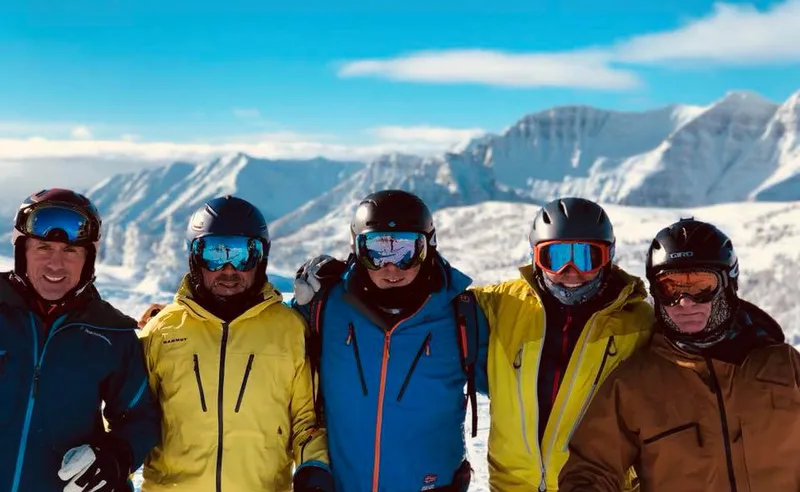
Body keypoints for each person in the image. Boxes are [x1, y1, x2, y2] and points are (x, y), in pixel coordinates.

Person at [295, 196, 654, 491]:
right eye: (555, 257)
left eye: (589, 257)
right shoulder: (329, 308)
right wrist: (310, 294)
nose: (570, 272)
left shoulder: (639, 323)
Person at [559, 218, 800, 492]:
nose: (684, 302)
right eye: (670, 287)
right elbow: (590, 470)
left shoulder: (784, 367)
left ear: (728, 284)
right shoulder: (635, 385)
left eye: (700, 285)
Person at [292, 189, 490, 492]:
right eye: (377, 250)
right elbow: (276, 357)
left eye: (406, 250)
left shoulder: (461, 315)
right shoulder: (327, 306)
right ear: (356, 250)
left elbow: (518, 388)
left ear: (429, 247)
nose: (391, 266)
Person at [138, 195, 332, 492]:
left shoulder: (289, 330)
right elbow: (129, 420)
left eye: (244, 254)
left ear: (261, 258)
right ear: (195, 257)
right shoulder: (161, 331)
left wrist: (314, 469)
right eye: (215, 253)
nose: (229, 268)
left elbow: (307, 423)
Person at [0, 188, 160, 492]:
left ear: (88, 260)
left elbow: (141, 417)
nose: (55, 265)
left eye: (71, 251)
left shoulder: (112, 333)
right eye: (44, 248)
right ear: (22, 250)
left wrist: (115, 457)